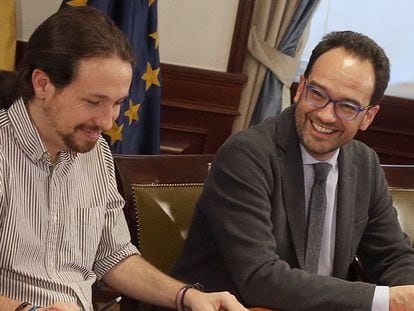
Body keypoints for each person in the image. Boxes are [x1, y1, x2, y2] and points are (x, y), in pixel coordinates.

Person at [0, 6, 248, 311]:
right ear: (42, 85)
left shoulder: (95, 151)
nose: (107, 122)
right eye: (94, 102)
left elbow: (113, 256)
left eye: (117, 103)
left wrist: (188, 296)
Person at [172, 31, 414, 311]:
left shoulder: (364, 164)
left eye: (347, 106)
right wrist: (387, 300)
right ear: (300, 88)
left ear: (368, 116)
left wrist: (408, 294)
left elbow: (393, 257)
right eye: (317, 94)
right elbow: (260, 278)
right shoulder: (246, 155)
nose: (325, 114)